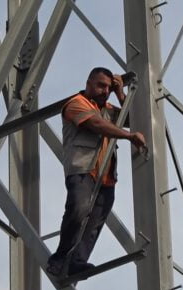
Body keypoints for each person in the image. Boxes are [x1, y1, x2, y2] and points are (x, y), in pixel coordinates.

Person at [46, 67, 145, 278]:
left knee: (95, 222)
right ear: (89, 83)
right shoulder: (76, 104)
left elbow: (135, 119)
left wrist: (120, 94)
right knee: (79, 210)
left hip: (106, 177)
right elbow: (96, 124)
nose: (105, 91)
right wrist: (127, 136)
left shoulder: (108, 108)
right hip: (83, 171)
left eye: (109, 87)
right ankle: (61, 257)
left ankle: (77, 262)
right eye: (101, 85)